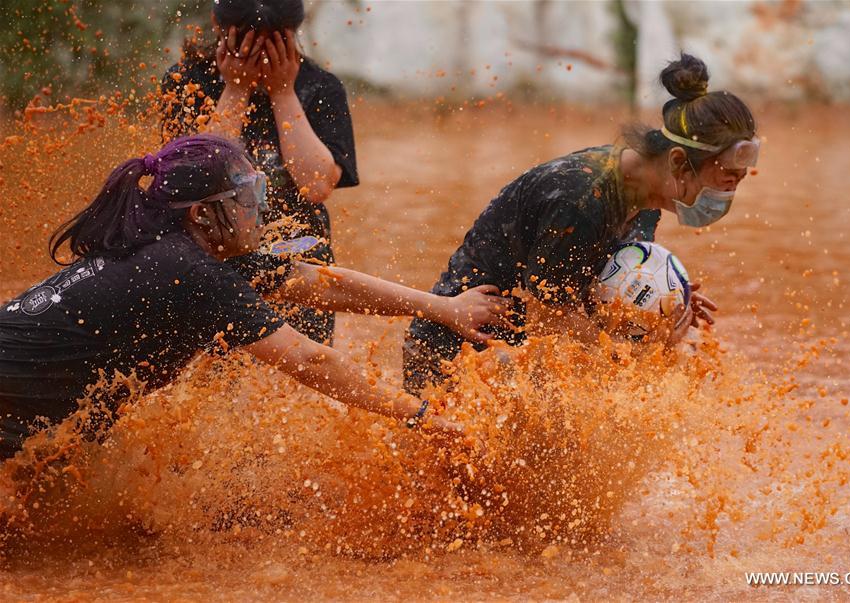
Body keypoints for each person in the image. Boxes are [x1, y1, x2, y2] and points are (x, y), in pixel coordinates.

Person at [0, 135, 510, 461]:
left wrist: (442, 306)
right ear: (202, 215)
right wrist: (419, 415)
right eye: (249, 201)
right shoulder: (191, 271)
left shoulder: (176, 254)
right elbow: (310, 358)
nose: (260, 214)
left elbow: (319, 281)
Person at [403, 53, 759, 394]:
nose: (727, 194)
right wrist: (628, 353)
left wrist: (663, 298)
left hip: (508, 354)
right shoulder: (581, 200)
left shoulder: (645, 198)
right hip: (453, 358)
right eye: (726, 179)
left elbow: (598, 282)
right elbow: (550, 316)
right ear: (680, 162)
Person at [160, 0, 355, 344]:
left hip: (300, 254)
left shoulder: (321, 88)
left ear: (293, 34)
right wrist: (236, 89)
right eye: (246, 44)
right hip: (210, 258)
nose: (260, 55)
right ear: (219, 29)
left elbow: (316, 187)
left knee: (304, 377)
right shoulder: (187, 82)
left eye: (273, 42)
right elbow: (188, 182)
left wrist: (283, 92)